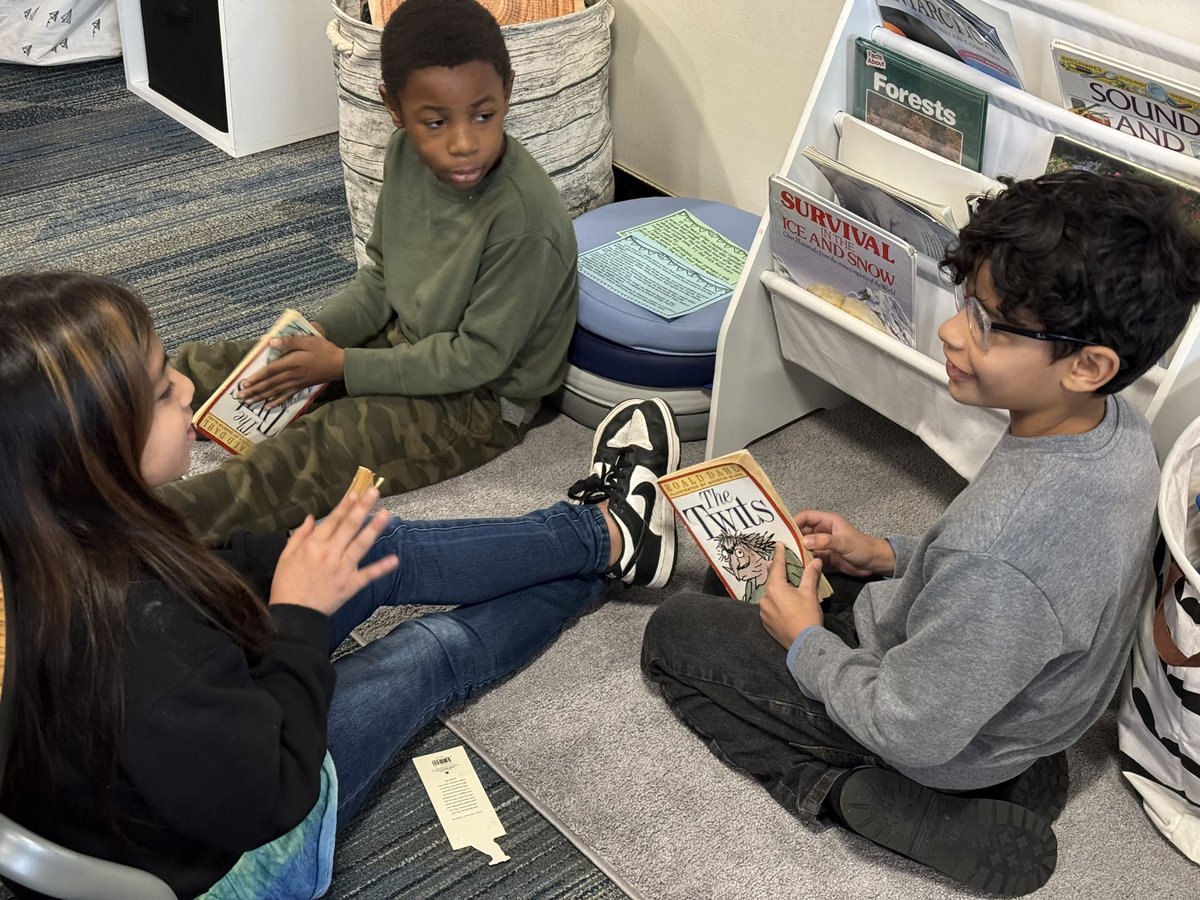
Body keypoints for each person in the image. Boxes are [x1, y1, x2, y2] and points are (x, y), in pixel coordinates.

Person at [0, 272, 678, 898]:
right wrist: (299, 614)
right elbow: (273, 795)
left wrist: (292, 558)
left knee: (365, 543)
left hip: (173, 764)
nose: (184, 387)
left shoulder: (50, 536)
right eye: (157, 390)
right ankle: (608, 562)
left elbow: (200, 574)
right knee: (429, 654)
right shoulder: (138, 644)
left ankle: (609, 534)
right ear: (82, 452)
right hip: (242, 852)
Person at [641, 171, 1200, 896]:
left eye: (989, 325)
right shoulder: (1117, 430)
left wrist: (807, 643)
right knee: (762, 564)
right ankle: (1006, 776)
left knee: (679, 634)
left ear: (1089, 366)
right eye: (969, 302)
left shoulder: (1000, 551)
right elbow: (1021, 580)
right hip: (1017, 712)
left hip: (934, 738)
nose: (950, 329)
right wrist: (883, 553)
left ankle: (872, 798)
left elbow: (914, 720)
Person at [161, 0, 579, 546]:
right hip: (404, 340)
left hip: (478, 401)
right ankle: (94, 411)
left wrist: (343, 366)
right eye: (435, 121)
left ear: (508, 91)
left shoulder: (525, 223)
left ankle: (155, 526)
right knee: (244, 362)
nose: (463, 142)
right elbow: (382, 276)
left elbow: (477, 358)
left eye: (484, 115)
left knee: (318, 448)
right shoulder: (404, 153)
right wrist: (320, 340)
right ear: (394, 108)